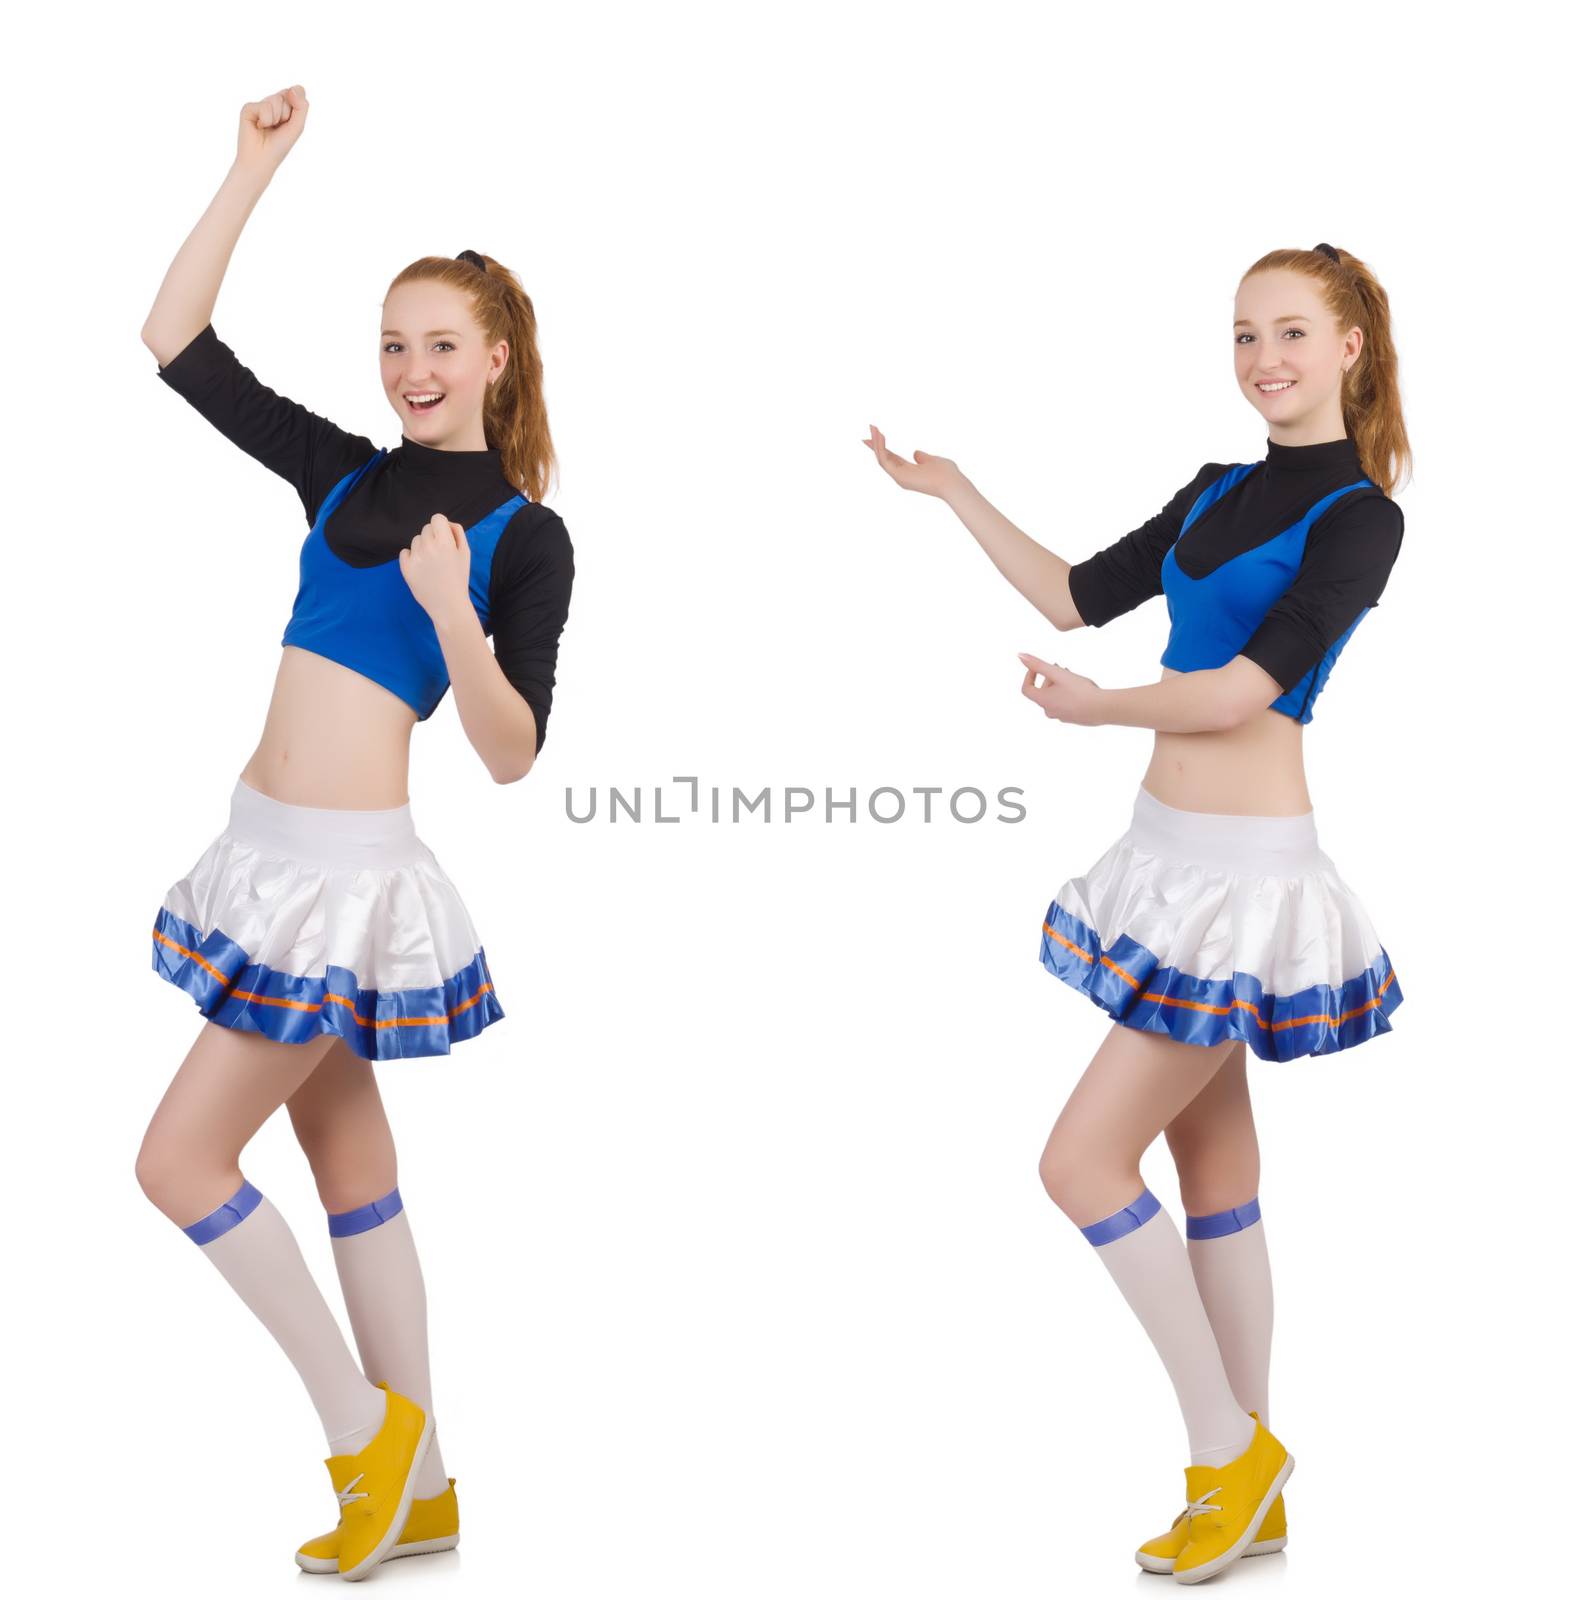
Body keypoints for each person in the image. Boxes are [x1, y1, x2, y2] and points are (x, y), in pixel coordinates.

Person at [864, 242, 1408, 1585]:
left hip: (1247, 879)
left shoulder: (1360, 516)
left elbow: (1241, 692)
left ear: (1349, 348)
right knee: (1213, 1171)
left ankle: (1231, 1451)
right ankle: (1251, 1480)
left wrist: (1098, 709)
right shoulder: (1218, 488)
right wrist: (953, 494)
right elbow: (1072, 595)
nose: (1263, 360)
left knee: (1078, 1165)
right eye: (1242, 336)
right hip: (1167, 859)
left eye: (1290, 333)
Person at [134, 86, 574, 1580]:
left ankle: (360, 1431)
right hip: (263, 845)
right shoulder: (348, 475)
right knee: (344, 1163)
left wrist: (455, 617)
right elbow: (177, 345)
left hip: (341, 878)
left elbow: (513, 754)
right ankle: (429, 1486)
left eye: (441, 344)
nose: (411, 369)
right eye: (394, 344)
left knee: (177, 1163)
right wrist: (250, 170)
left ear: (498, 361)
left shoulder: (525, 534)